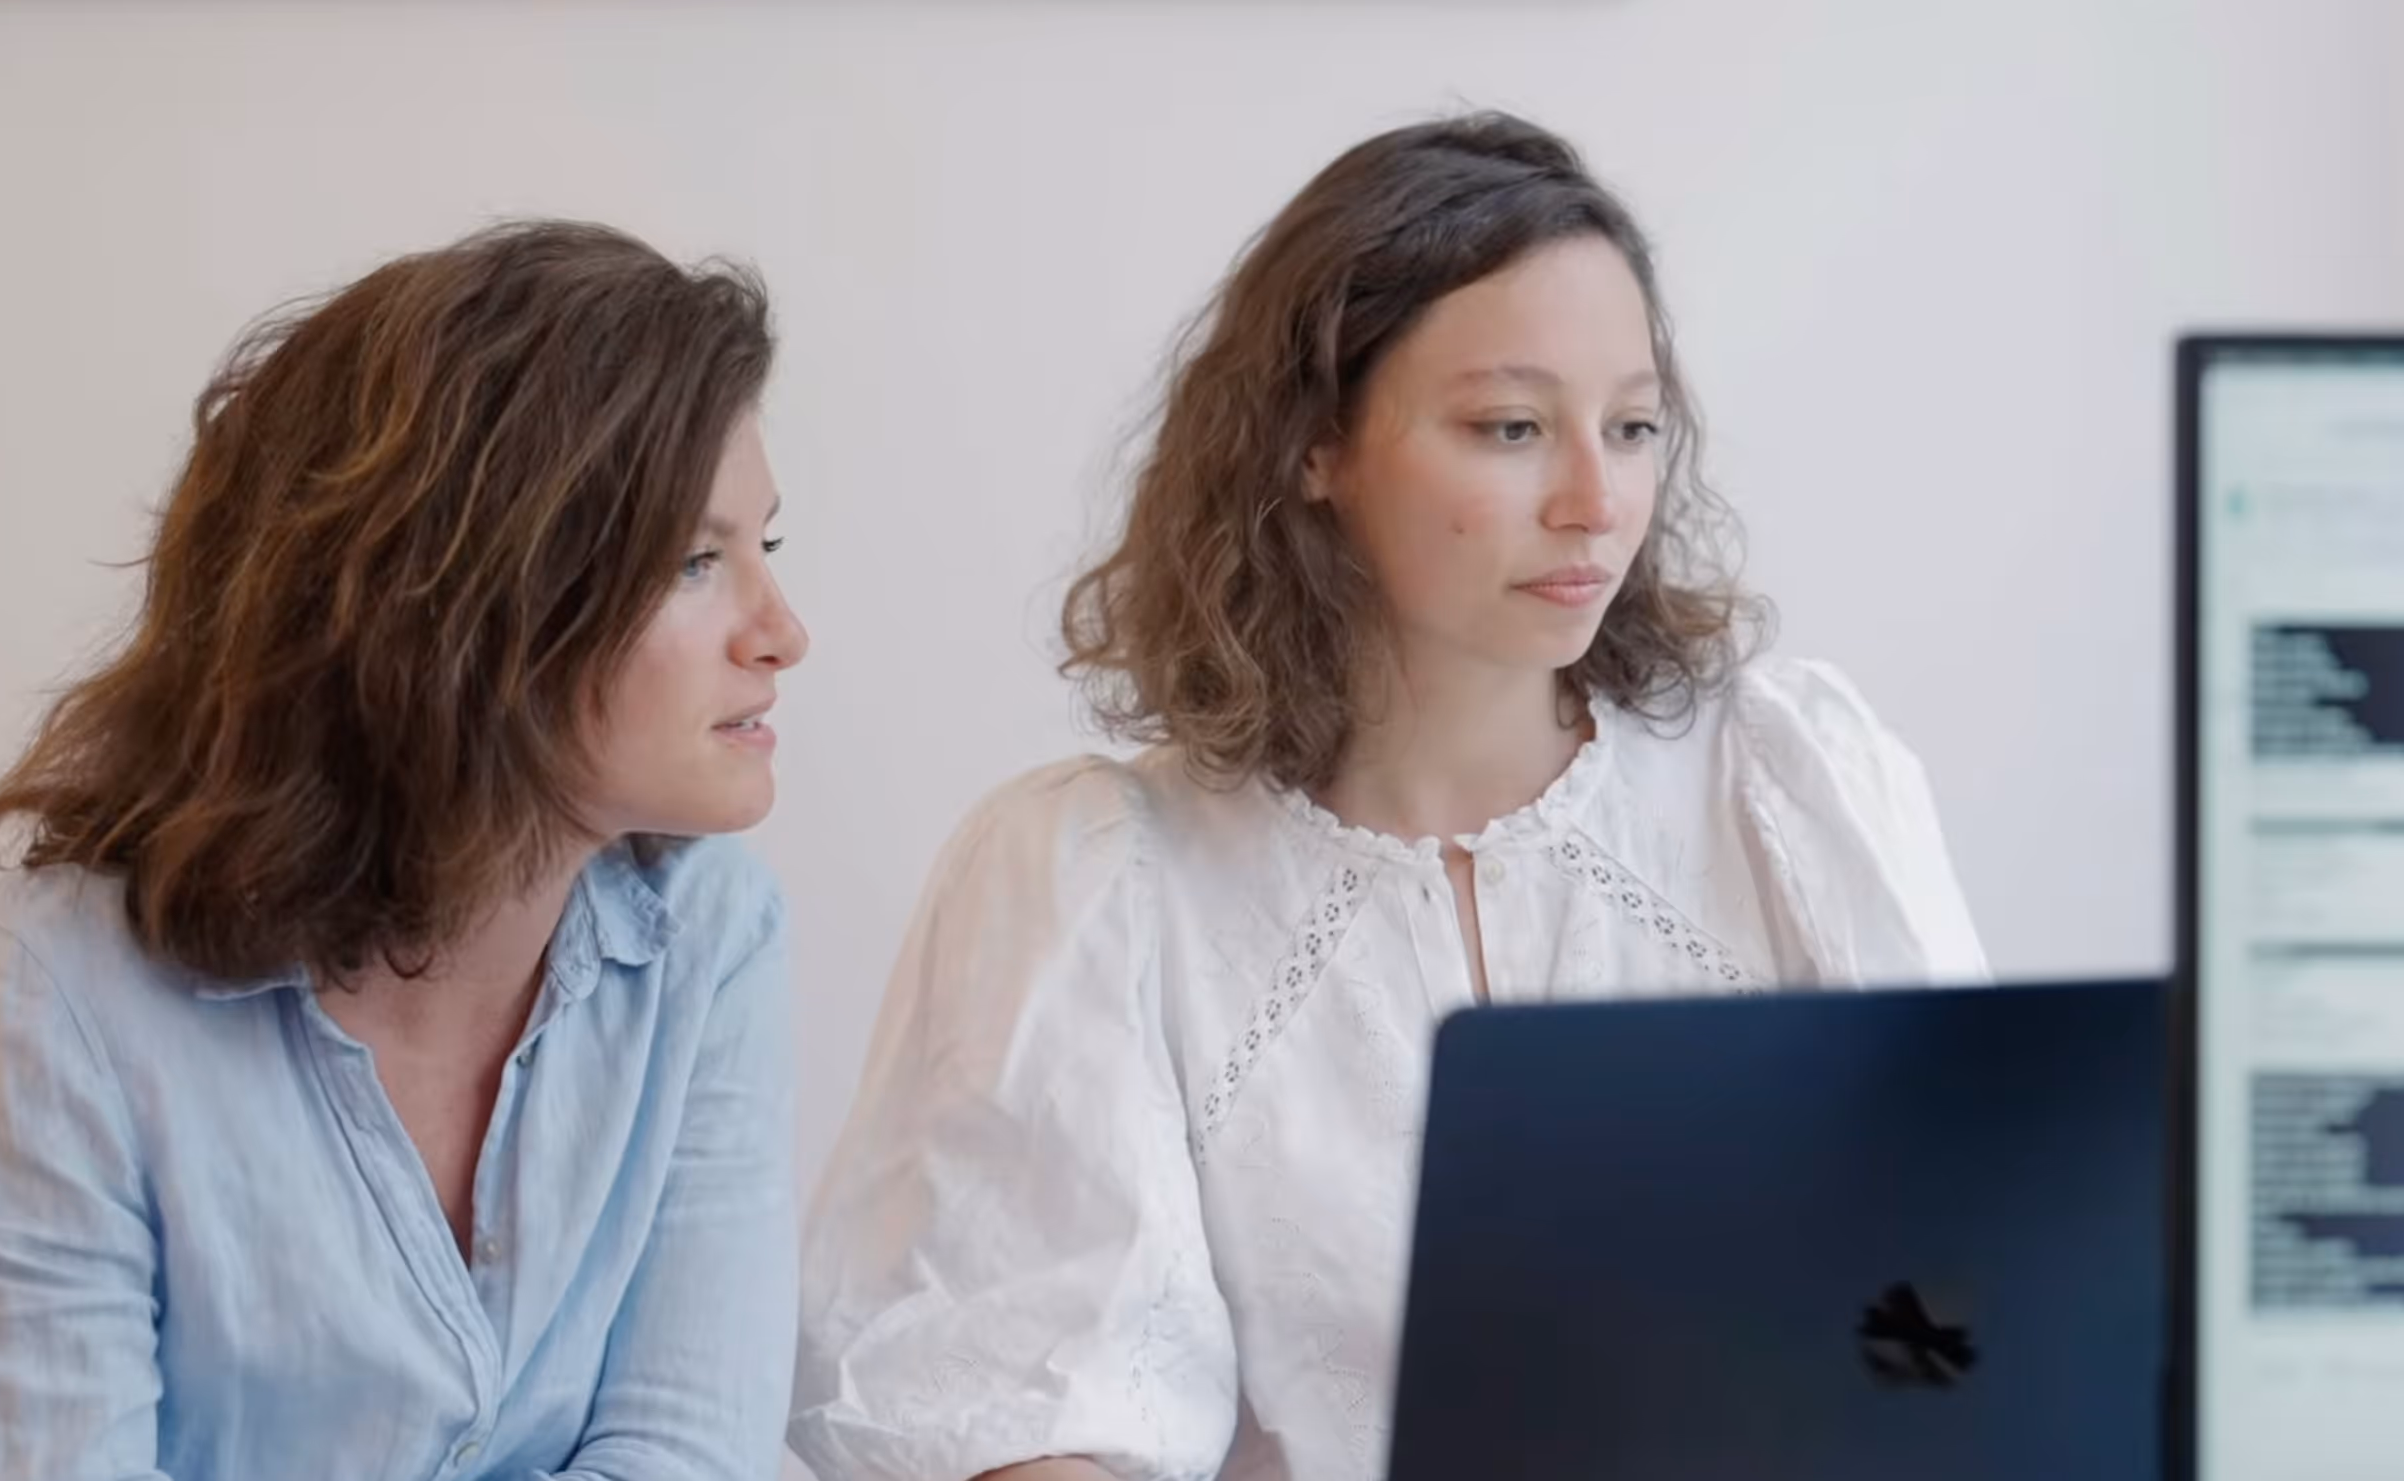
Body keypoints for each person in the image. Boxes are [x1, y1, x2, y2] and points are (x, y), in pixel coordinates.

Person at [788, 112, 1988, 1481]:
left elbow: (1967, 1303)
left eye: (1632, 425)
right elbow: (1040, 1414)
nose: (1595, 499)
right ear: (1313, 444)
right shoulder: (1101, 879)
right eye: (1510, 427)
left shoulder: (1785, 783)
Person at [0, 219, 811, 1481]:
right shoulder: (50, 1000)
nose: (781, 631)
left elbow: (688, 1452)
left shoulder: (709, 935)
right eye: (692, 562)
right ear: (461, 601)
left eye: (763, 547)